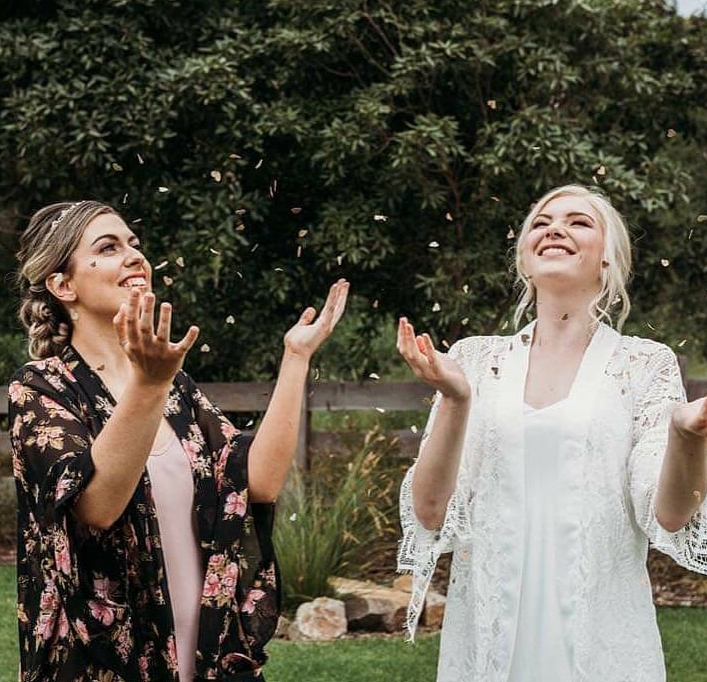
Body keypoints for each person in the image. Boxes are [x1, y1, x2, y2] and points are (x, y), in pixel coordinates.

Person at [8, 199, 349, 682]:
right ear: (63, 285)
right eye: (108, 248)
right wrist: (150, 384)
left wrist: (296, 357)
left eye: (134, 244)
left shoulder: (175, 387)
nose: (134, 256)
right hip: (106, 661)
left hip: (203, 655)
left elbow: (257, 482)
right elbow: (97, 507)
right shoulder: (42, 388)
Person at [396, 184, 707, 682]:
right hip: (492, 646)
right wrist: (456, 399)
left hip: (602, 644)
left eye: (578, 222)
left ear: (608, 258)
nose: (554, 229)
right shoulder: (475, 360)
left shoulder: (644, 364)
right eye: (541, 223)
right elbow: (430, 511)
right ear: (524, 258)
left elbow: (670, 514)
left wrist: (687, 436)